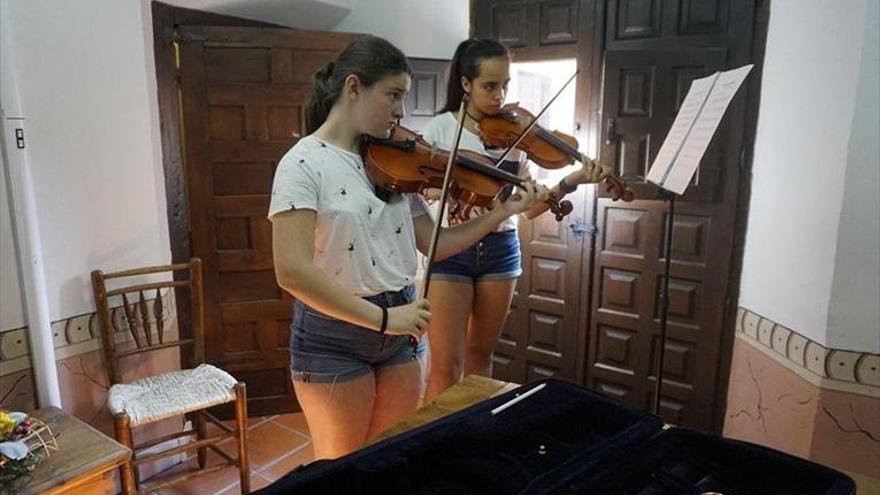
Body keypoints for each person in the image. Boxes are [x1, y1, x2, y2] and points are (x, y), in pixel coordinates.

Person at [268, 36, 548, 459]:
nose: (402, 110)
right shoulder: (303, 163)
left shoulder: (392, 163)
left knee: (391, 459)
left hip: (402, 326)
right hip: (337, 335)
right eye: (394, 95)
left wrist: (500, 211)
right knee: (342, 468)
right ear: (353, 88)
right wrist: (383, 319)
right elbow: (291, 271)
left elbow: (435, 245)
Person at [419, 38, 603, 403]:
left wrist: (568, 182)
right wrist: (450, 187)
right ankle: (438, 443)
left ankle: (475, 436)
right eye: (490, 86)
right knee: (445, 365)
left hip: (501, 250)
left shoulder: (516, 136)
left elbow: (529, 209)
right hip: (452, 247)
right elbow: (420, 190)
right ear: (466, 84)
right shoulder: (440, 130)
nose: (500, 96)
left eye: (505, 85)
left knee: (481, 357)